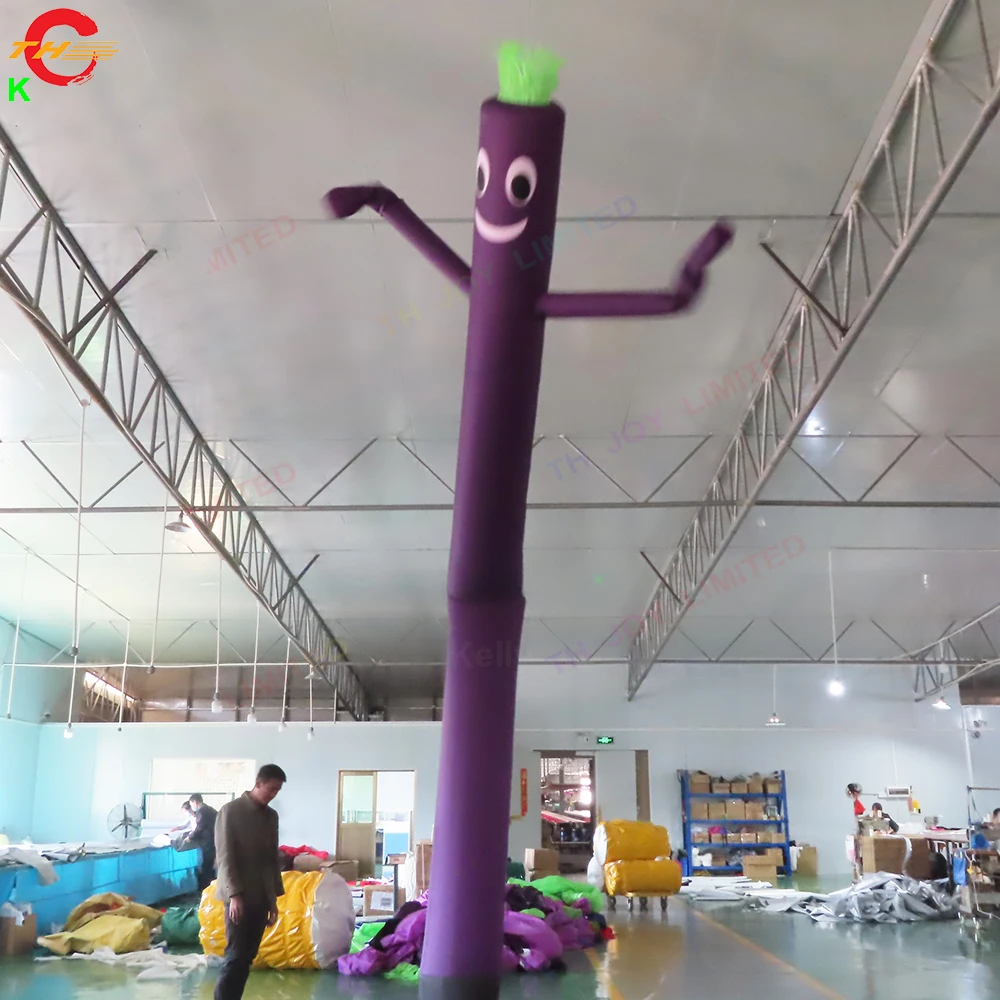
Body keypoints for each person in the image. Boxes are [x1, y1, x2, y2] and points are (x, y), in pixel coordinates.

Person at [213, 764, 287, 1000]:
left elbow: (271, 859)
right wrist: (234, 895)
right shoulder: (230, 812)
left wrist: (273, 900)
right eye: (271, 788)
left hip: (260, 897)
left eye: (277, 790)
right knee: (235, 956)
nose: (273, 794)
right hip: (239, 897)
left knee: (247, 957)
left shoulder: (271, 817)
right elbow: (225, 856)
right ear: (258, 783)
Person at [187, 793, 218, 892]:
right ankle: (212, 889)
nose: (192, 807)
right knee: (211, 867)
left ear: (195, 802)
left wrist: (190, 837)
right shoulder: (211, 809)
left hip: (207, 843)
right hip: (214, 840)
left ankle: (205, 889)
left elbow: (200, 827)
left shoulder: (202, 811)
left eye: (191, 804)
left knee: (206, 866)